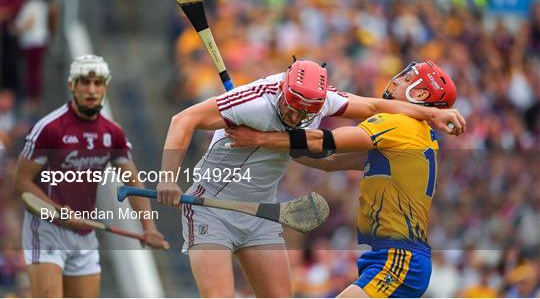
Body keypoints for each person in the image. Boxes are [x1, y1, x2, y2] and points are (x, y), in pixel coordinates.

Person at [156, 58, 465, 297]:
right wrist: (168, 178)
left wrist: (264, 139)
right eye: (292, 109)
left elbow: (328, 139)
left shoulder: (396, 124)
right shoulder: (253, 101)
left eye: (307, 113)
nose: (296, 118)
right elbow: (183, 118)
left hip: (262, 214)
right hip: (212, 207)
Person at [13, 55, 169, 297]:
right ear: (72, 86)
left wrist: (149, 227)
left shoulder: (112, 133)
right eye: (85, 82)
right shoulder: (50, 129)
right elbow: (21, 182)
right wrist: (58, 211)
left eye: (98, 83)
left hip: (85, 233)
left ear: (105, 86)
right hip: (47, 230)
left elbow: (133, 182)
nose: (91, 90)